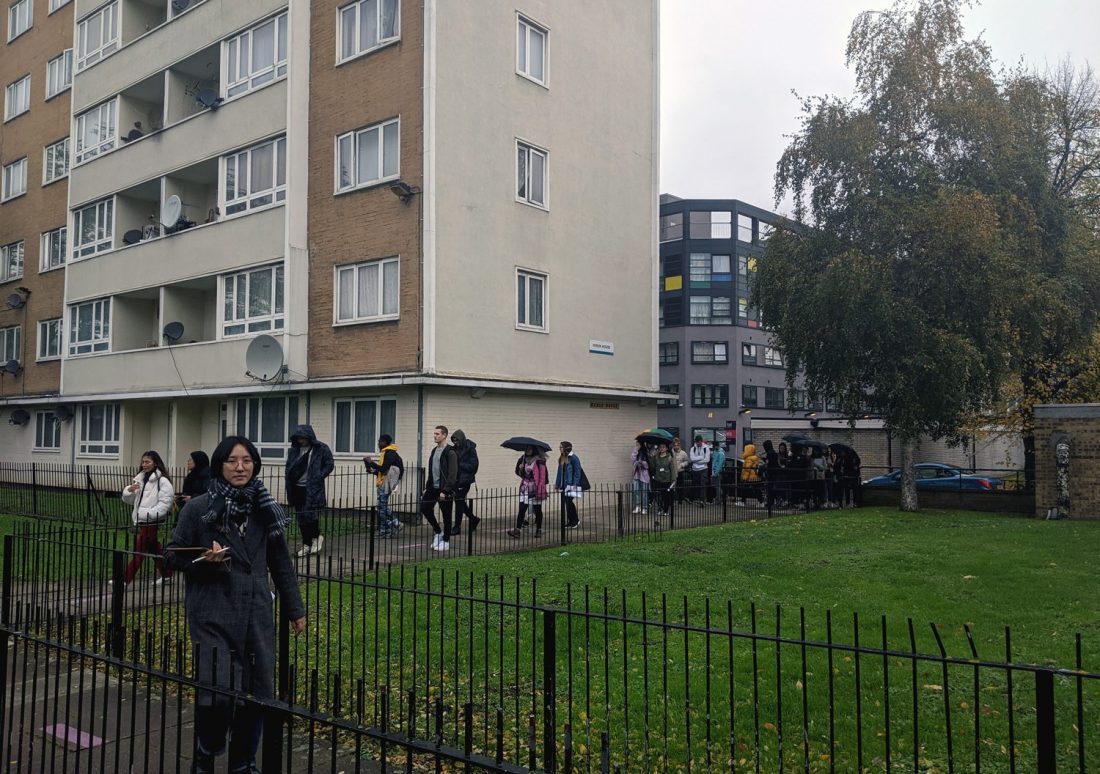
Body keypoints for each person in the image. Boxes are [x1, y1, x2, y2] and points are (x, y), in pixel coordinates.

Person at [166, 436, 306, 774]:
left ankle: (244, 762)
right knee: (219, 692)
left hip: (255, 612)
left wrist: (295, 609)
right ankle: (207, 748)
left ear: (255, 464)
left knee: (256, 693)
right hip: (212, 612)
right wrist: (204, 557)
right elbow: (171, 555)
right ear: (219, 465)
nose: (240, 467)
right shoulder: (198, 508)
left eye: (246, 460)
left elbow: (280, 562)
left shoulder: (265, 508)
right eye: (232, 460)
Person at [118, 450, 175, 587]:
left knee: (139, 550)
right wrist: (129, 490)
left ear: (155, 463)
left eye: (147, 462)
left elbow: (165, 503)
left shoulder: (162, 481)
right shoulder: (141, 478)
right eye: (143, 462)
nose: (144, 464)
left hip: (152, 520)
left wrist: (150, 514)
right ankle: (167, 574)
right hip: (144, 519)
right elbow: (133, 501)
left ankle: (124, 580)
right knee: (154, 548)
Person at [285, 425, 335, 557]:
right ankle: (307, 544)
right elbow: (290, 465)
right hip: (296, 487)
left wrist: (319, 475)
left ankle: (316, 537)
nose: (301, 440)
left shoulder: (321, 448)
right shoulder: (294, 450)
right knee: (301, 517)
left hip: (312, 488)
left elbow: (329, 464)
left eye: (303, 438)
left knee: (310, 515)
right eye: (299, 438)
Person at [421, 425, 458, 551]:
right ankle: (438, 532)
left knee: (446, 515)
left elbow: (452, 474)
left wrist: (445, 490)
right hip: (432, 487)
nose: (435, 436)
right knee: (424, 507)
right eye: (434, 434)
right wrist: (427, 487)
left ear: (444, 435)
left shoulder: (450, 452)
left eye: (437, 434)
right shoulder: (434, 451)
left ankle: (446, 541)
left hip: (444, 489)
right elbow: (432, 471)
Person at [364, 434, 403, 537]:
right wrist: (372, 470)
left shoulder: (390, 453)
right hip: (383, 482)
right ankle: (385, 530)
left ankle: (395, 523)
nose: (378, 443)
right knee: (381, 507)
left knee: (382, 506)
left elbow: (384, 469)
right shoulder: (386, 453)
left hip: (385, 484)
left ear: (385, 442)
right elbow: (382, 471)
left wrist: (371, 462)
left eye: (380, 441)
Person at [507, 446, 548, 538]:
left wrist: (540, 491)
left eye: (529, 449)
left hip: (535, 488)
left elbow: (542, 477)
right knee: (522, 508)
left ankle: (539, 530)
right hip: (525, 487)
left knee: (537, 509)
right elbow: (522, 474)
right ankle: (517, 530)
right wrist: (520, 469)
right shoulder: (524, 459)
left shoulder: (539, 461)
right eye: (526, 449)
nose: (527, 451)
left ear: (534, 450)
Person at [450, 429, 480, 536]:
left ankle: (457, 526)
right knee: (459, 501)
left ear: (461, 439)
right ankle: (473, 518)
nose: (455, 443)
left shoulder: (470, 449)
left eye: (457, 440)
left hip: (465, 480)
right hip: (455, 480)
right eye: (454, 441)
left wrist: (459, 464)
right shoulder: (453, 449)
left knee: (459, 501)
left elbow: (474, 466)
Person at [555, 441, 584, 529]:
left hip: (572, 484)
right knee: (567, 503)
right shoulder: (562, 458)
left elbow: (577, 472)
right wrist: (557, 484)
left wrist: (575, 484)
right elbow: (559, 472)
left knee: (568, 502)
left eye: (561, 447)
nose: (559, 449)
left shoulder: (574, 458)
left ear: (566, 448)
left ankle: (575, 521)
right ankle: (571, 521)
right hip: (564, 485)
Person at [649, 441, 676, 519]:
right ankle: (660, 508)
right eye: (660, 447)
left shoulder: (669, 457)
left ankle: (665, 510)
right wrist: (651, 458)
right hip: (658, 478)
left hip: (666, 479)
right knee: (658, 495)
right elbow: (653, 467)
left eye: (663, 447)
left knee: (666, 496)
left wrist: (673, 479)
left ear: (666, 448)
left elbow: (672, 469)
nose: (661, 448)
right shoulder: (656, 457)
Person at [688, 435, 711, 504]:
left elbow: (707, 460)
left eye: (699, 442)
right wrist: (701, 457)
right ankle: (693, 499)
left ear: (702, 441)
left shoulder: (706, 448)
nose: (698, 444)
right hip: (695, 469)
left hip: (703, 469)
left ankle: (702, 500)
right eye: (697, 442)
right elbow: (692, 459)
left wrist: (696, 460)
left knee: (702, 485)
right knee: (694, 485)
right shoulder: (693, 448)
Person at [630, 440, 650, 515]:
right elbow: (632, 461)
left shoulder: (645, 452)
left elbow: (648, 465)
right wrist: (635, 451)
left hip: (644, 475)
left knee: (644, 492)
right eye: (636, 444)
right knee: (636, 491)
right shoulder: (635, 452)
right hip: (636, 474)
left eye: (638, 444)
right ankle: (638, 506)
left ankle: (645, 507)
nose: (637, 446)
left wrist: (642, 463)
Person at [762, 439, 782, 508]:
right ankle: (774, 502)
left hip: (771, 473)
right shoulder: (774, 453)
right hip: (776, 473)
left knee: (770, 489)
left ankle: (770, 503)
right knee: (774, 488)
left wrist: (765, 462)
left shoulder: (769, 453)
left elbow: (768, 463)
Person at [671, 437, 690, 503]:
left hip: (680, 472)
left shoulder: (683, 453)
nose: (676, 446)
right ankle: (674, 500)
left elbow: (687, 461)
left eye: (677, 445)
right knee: (673, 486)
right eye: (674, 445)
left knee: (680, 486)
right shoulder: (671, 453)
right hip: (672, 472)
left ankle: (680, 500)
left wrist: (682, 465)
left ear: (679, 445)